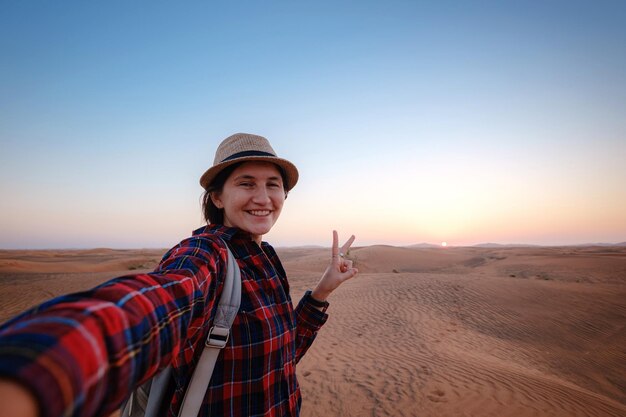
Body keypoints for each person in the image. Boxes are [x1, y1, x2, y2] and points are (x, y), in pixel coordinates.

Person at [0, 133, 359, 417]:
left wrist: (322, 290)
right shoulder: (206, 253)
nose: (263, 197)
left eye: (273, 184)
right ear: (217, 198)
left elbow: (282, 359)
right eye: (246, 183)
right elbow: (153, 305)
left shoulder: (266, 257)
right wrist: (37, 372)